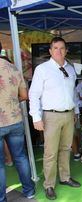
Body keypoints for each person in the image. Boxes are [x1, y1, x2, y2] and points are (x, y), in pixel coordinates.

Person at [29, 37, 81, 200]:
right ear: (50, 51)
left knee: (65, 148)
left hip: (68, 114)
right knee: (50, 152)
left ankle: (65, 177)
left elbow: (74, 93)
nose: (59, 51)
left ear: (66, 51)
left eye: (62, 48)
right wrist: (36, 117)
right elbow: (34, 94)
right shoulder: (42, 69)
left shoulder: (71, 69)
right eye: (56, 48)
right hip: (50, 115)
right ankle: (49, 185)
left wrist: (75, 112)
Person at [0, 55, 35, 201]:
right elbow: (24, 95)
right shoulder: (13, 68)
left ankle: (2, 198)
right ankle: (29, 191)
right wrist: (12, 101)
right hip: (15, 120)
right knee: (20, 156)